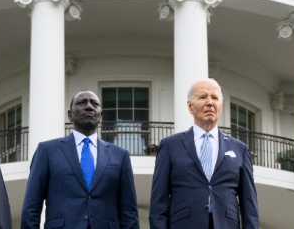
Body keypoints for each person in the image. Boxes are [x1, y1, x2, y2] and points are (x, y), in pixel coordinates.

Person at [149, 79, 259, 229]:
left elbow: (249, 205)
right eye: (203, 97)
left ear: (220, 106)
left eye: (215, 98)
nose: (210, 103)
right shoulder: (170, 145)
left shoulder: (240, 149)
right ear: (190, 106)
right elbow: (158, 202)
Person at [21, 90, 140, 229]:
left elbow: (129, 212)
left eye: (94, 104)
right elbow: (31, 206)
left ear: (100, 115)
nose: (89, 107)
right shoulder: (47, 150)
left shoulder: (120, 155)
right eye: (81, 103)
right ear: (70, 115)